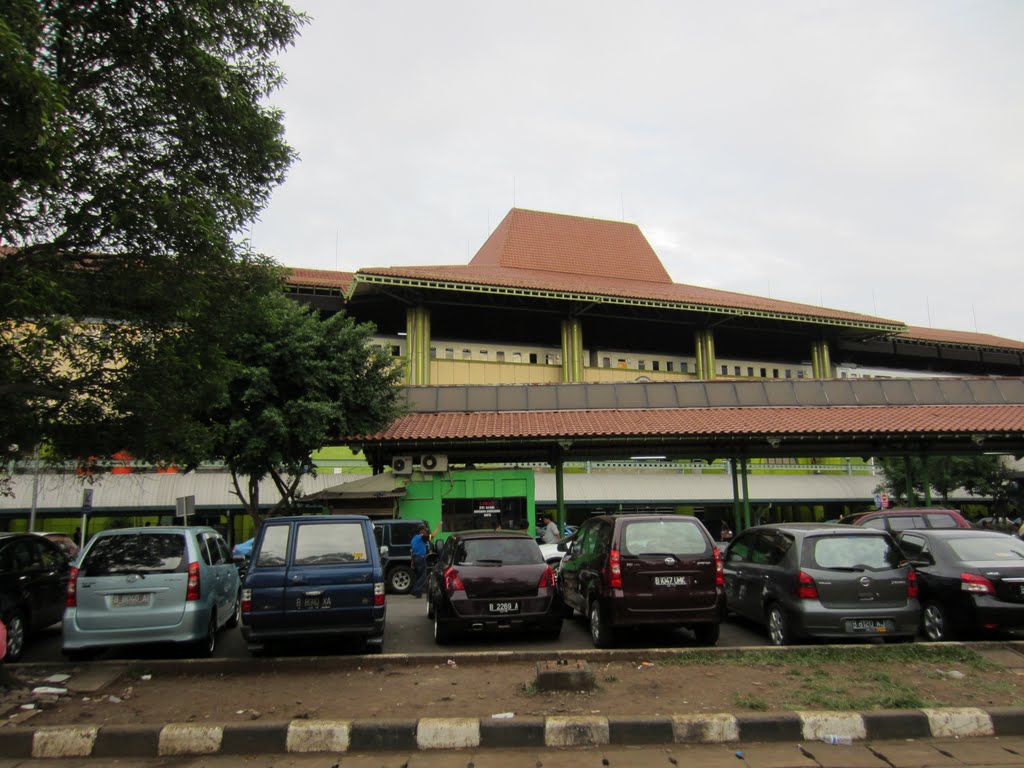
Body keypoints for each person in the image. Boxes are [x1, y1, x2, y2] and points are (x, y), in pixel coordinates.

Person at [410, 521, 441, 598]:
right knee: (423, 576)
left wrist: (412, 561)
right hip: (420, 558)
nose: (426, 531)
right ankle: (415, 590)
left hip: (415, 557)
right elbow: (432, 536)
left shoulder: (414, 538)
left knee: (418, 575)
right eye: (425, 530)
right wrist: (438, 527)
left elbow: (411, 550)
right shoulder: (422, 537)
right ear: (421, 531)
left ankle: (418, 593)